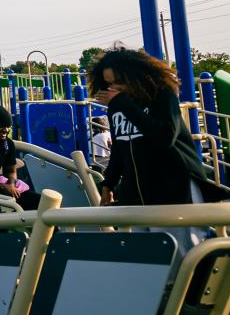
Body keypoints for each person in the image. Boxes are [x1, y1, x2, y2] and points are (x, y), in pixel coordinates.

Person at [88, 48, 209, 206]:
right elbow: (119, 148)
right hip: (138, 192)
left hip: (176, 189)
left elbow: (164, 137)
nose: (113, 88)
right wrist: (109, 183)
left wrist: (123, 103)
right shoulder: (117, 105)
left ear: (135, 76)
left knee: (170, 231)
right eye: (109, 83)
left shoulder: (162, 96)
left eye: (119, 82)